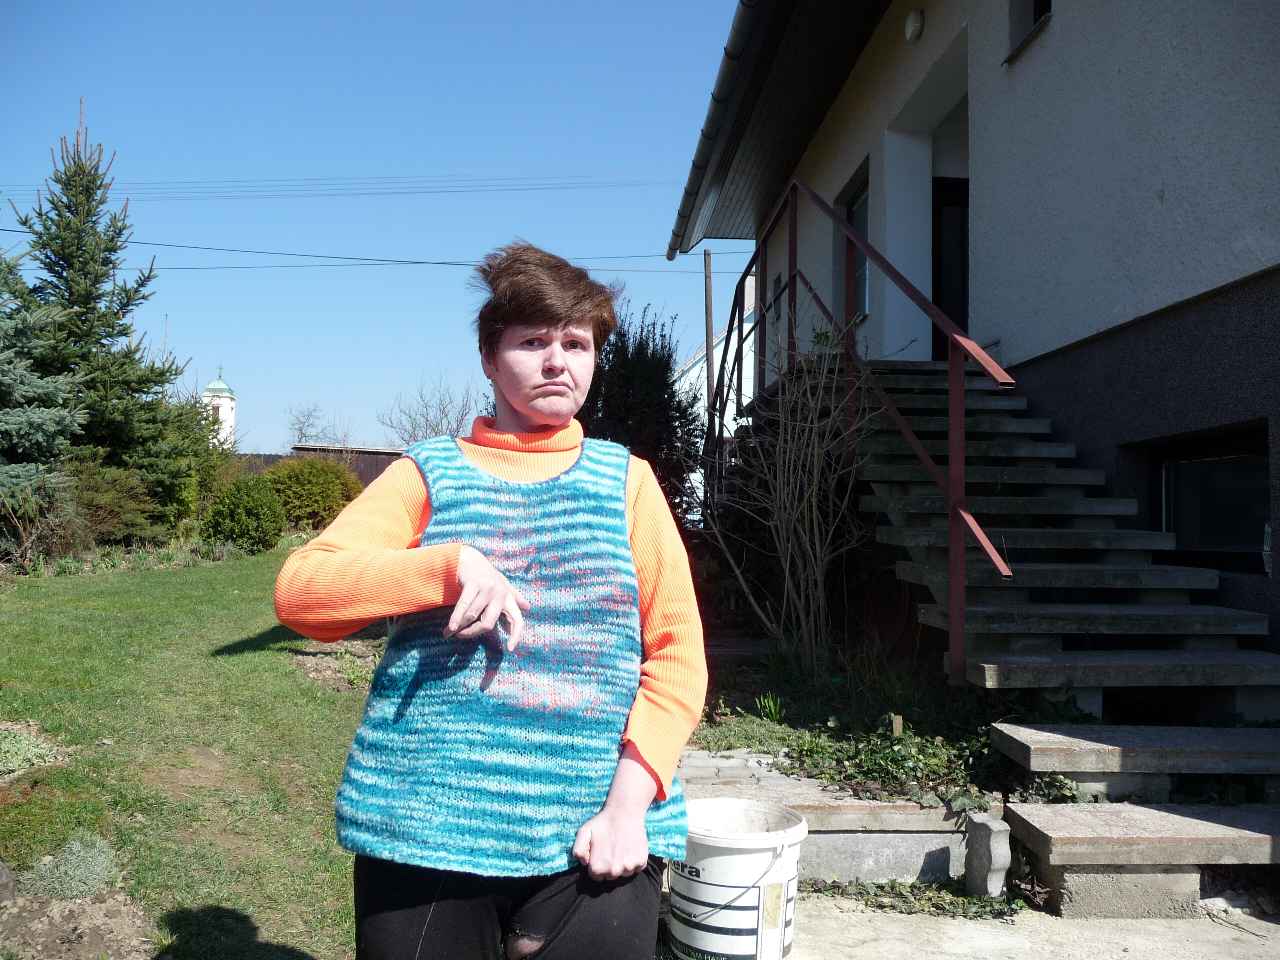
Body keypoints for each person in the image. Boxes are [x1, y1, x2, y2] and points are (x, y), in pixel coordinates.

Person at [274, 242, 707, 960]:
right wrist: (444, 570)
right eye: (532, 342)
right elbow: (301, 593)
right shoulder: (427, 472)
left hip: (596, 829)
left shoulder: (626, 482)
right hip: (425, 826)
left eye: (576, 344)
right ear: (488, 358)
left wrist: (627, 808)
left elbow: (677, 659)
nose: (558, 362)